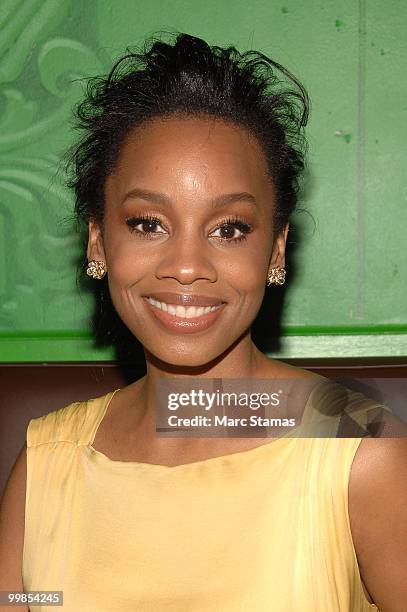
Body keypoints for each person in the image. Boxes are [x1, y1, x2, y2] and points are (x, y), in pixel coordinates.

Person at [0, 32, 406, 612]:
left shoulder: (358, 452)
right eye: (147, 223)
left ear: (275, 251)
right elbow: (29, 599)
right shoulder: (49, 461)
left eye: (230, 229)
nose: (187, 267)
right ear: (97, 239)